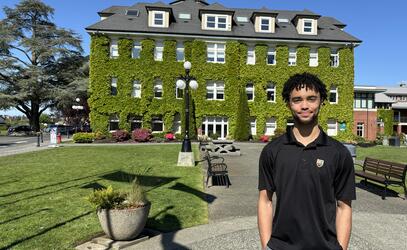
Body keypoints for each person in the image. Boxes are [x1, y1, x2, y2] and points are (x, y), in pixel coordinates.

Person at [257, 73, 356, 250]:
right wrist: (266, 247)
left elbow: (344, 207)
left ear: (322, 101)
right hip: (281, 246)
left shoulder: (339, 153)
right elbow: (265, 201)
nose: (304, 106)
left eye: (311, 99)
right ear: (288, 103)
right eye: (297, 100)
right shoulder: (272, 151)